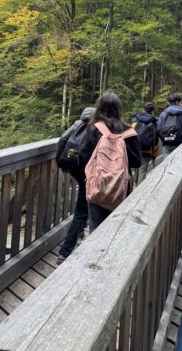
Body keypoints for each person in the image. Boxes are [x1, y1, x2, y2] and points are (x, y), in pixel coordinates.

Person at [79, 92, 142, 232]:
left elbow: (83, 156)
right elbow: (137, 161)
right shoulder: (128, 131)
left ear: (99, 107)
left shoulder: (94, 128)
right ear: (119, 109)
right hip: (121, 190)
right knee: (117, 231)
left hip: (97, 187)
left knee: (96, 230)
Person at [56, 106, 95, 265]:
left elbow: (62, 140)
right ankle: (65, 252)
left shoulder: (77, 124)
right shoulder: (97, 128)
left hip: (74, 167)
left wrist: (60, 163)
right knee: (82, 209)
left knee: (84, 202)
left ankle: (79, 232)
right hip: (89, 170)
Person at [131, 102, 159, 185]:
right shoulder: (153, 123)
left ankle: (133, 187)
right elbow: (155, 140)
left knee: (135, 169)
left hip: (135, 150)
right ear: (152, 111)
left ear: (143, 109)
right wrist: (154, 155)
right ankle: (139, 192)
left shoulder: (134, 120)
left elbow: (130, 135)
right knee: (142, 170)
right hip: (146, 151)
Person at [157, 93, 182, 158]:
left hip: (166, 143)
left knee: (166, 165)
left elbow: (158, 129)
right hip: (179, 143)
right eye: (180, 102)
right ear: (177, 102)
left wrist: (164, 138)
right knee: (178, 164)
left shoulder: (163, 113)